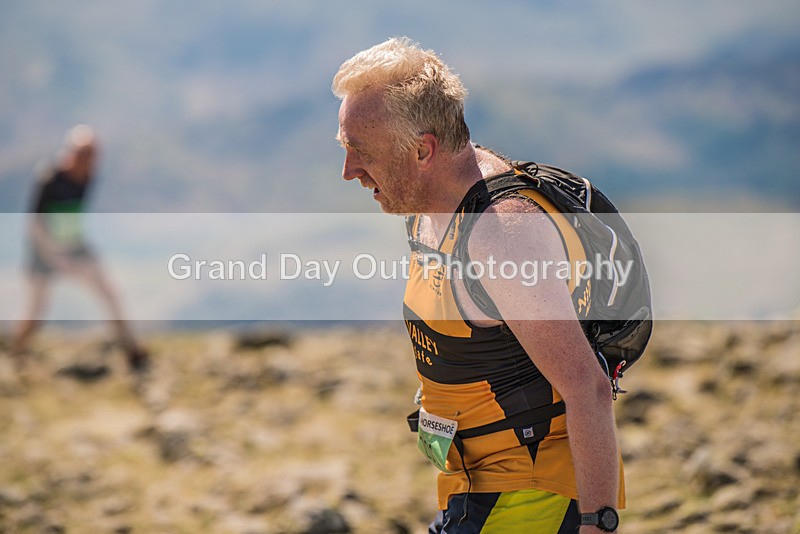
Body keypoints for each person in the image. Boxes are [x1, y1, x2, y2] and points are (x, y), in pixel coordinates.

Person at [333, 38, 624, 533]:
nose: (349, 172)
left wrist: (598, 523)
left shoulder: (499, 236)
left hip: (531, 498)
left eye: (362, 154)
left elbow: (587, 387)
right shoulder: (433, 202)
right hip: (474, 488)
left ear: (422, 150)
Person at [7, 125, 149, 375]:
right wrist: (55, 257)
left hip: (74, 246)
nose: (90, 162)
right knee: (34, 312)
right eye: (85, 155)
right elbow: (35, 225)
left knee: (111, 292)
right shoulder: (50, 179)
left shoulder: (88, 178)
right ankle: (16, 353)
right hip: (44, 252)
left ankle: (131, 348)